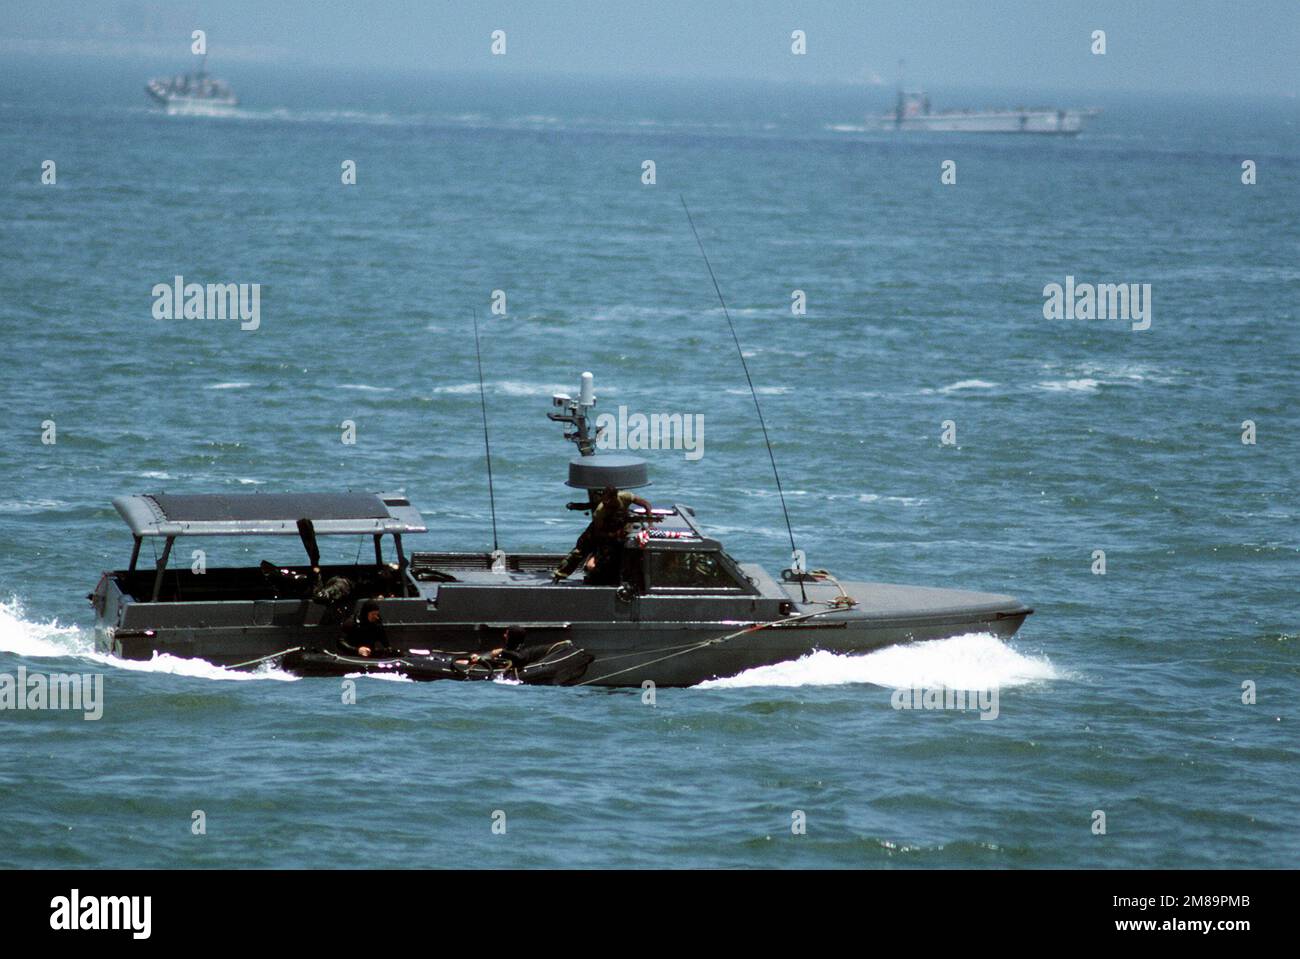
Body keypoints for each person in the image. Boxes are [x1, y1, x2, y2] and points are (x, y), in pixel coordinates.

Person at [552, 485, 656, 585]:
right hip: (600, 530)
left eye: (608, 501)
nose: (606, 503)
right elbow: (598, 533)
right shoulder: (600, 511)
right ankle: (559, 574)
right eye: (604, 501)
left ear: (615, 497)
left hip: (619, 525)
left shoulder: (625, 496)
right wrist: (612, 535)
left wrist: (650, 523)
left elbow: (646, 504)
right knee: (579, 551)